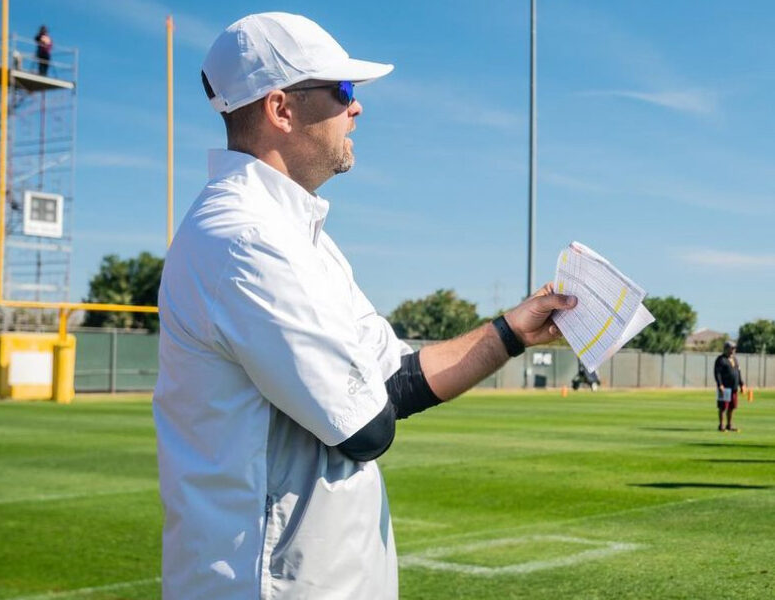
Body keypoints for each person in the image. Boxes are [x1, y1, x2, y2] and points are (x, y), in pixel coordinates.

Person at [153, 12, 577, 600]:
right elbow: (365, 426)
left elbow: (395, 381)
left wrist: (512, 331)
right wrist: (376, 392)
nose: (357, 109)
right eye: (343, 91)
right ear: (281, 109)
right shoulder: (245, 239)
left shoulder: (297, 234)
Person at [714, 340, 745, 432]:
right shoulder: (721, 359)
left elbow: (738, 373)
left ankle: (729, 425)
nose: (733, 350)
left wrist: (741, 384)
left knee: (732, 407)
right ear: (726, 348)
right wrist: (720, 385)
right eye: (732, 348)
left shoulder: (735, 359)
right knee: (723, 407)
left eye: (734, 348)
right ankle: (721, 425)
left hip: (734, 387)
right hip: (725, 388)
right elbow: (717, 373)